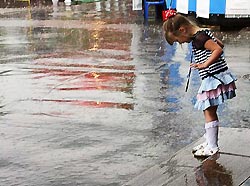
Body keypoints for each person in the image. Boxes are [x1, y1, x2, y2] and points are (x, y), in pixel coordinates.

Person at [162, 10, 237, 157]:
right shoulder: (203, 33)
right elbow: (219, 43)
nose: (181, 43)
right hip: (215, 76)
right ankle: (209, 141)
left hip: (213, 77)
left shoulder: (199, 38)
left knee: (209, 111)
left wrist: (205, 64)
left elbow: (218, 49)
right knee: (208, 110)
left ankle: (212, 146)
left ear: (182, 30)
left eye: (178, 40)